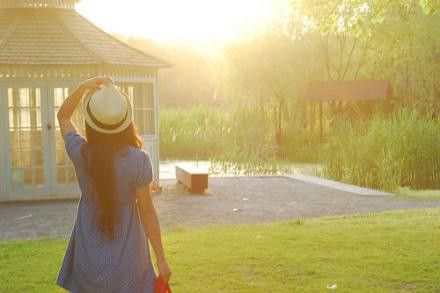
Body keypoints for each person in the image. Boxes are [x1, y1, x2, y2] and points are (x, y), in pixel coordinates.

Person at [56, 77, 171, 293]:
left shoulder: (81, 153)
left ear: (91, 123)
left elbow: (63, 115)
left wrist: (82, 88)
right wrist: (162, 259)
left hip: (88, 259)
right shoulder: (138, 160)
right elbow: (147, 212)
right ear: (126, 122)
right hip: (129, 261)